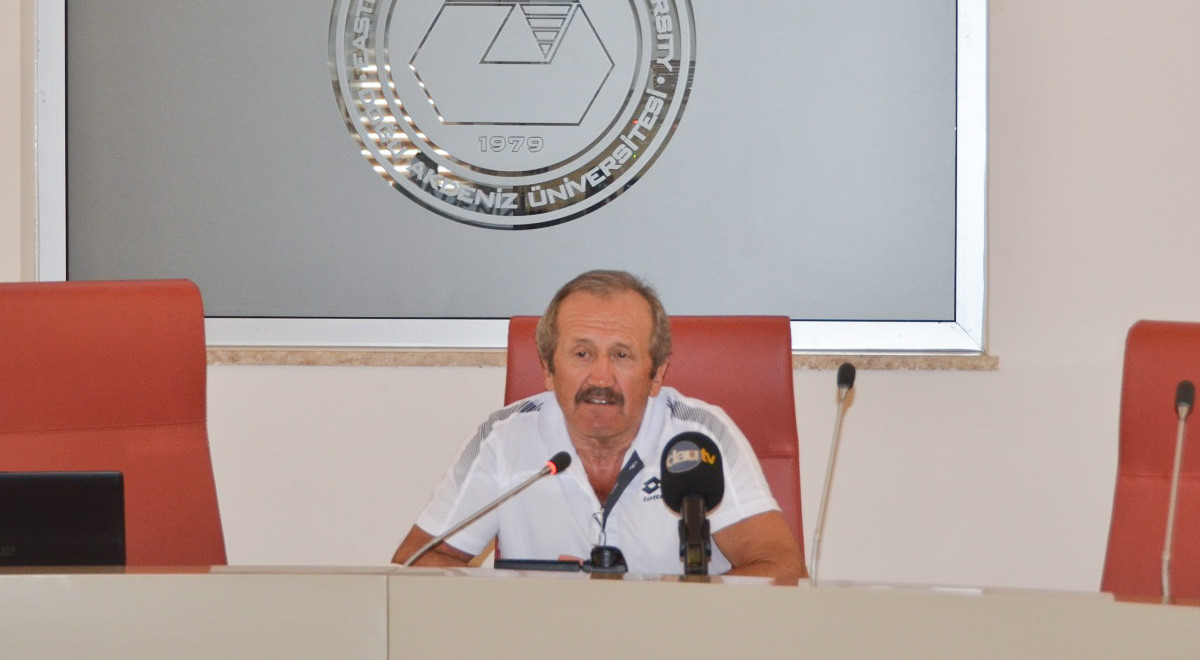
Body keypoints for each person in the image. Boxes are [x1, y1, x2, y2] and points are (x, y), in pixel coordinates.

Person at [392, 270, 805, 582]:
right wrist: (519, 606)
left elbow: (781, 568)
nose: (602, 378)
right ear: (549, 370)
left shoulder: (699, 438)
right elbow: (414, 566)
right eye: (582, 354)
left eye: (622, 355)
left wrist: (664, 612)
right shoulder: (503, 439)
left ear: (657, 372)